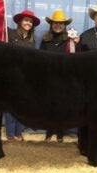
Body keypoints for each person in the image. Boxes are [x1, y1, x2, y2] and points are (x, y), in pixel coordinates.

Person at [40, 9, 79, 142]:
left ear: (64, 25)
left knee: (63, 107)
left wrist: (76, 44)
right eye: (55, 23)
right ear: (51, 24)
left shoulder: (70, 40)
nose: (58, 25)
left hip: (65, 79)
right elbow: (39, 59)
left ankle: (60, 133)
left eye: (61, 23)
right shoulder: (45, 41)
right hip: (49, 79)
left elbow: (76, 59)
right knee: (49, 106)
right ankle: (49, 132)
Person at [5, 10, 40, 141]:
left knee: (22, 105)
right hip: (10, 75)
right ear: (20, 22)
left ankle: (18, 132)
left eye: (30, 22)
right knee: (9, 105)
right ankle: (10, 133)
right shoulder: (10, 33)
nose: (28, 23)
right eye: (26, 20)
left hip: (26, 78)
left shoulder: (32, 40)